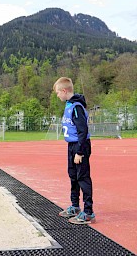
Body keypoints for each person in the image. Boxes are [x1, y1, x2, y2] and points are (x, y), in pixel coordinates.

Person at [53, 77, 95, 224]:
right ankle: (75, 206)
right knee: (73, 175)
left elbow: (82, 131)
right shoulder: (68, 105)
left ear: (64, 91)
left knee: (82, 177)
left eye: (58, 92)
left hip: (80, 145)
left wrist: (80, 152)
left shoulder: (76, 107)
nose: (57, 95)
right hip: (71, 145)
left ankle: (88, 212)